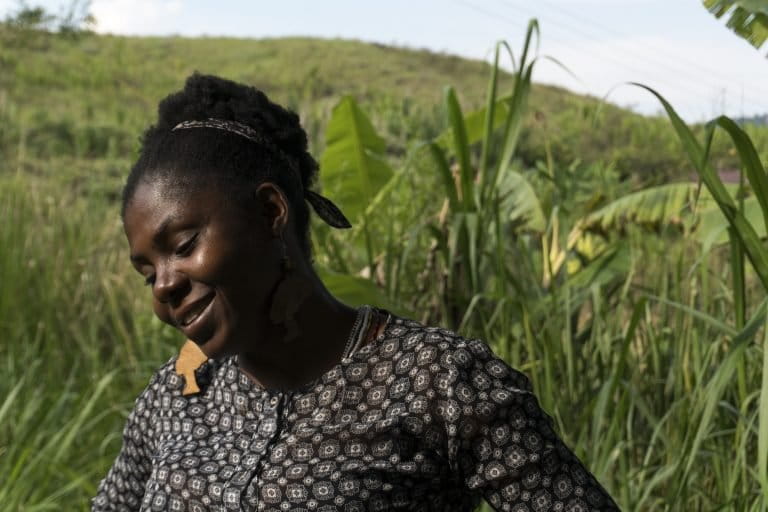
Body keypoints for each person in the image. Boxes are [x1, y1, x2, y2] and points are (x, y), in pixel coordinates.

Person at [92, 73, 619, 512]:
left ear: (271, 212)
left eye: (183, 244)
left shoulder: (440, 382)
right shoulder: (177, 393)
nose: (165, 285)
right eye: (147, 272)